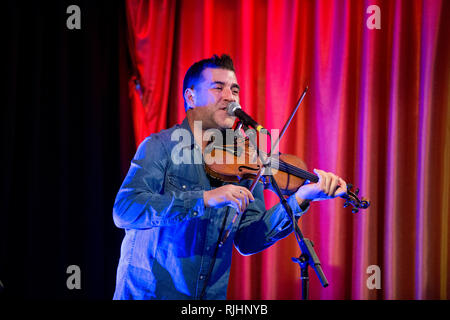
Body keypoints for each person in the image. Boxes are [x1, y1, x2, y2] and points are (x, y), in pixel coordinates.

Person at [112, 54, 347, 300]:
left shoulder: (243, 160)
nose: (230, 96)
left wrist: (299, 198)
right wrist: (205, 198)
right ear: (191, 97)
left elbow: (248, 240)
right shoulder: (160, 146)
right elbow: (125, 210)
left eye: (234, 89)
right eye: (218, 88)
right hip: (150, 294)